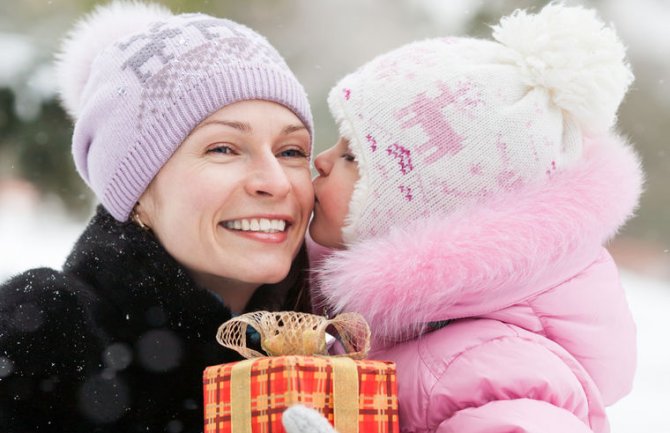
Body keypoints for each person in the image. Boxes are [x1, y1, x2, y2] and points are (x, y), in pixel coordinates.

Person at [286, 4, 642, 433]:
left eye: (351, 156)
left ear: (418, 210)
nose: (321, 161)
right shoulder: (406, 328)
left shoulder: (501, 371)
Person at [0, 2, 314, 432]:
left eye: (291, 151)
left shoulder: (343, 344)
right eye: (223, 148)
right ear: (137, 189)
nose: (276, 183)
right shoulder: (41, 339)